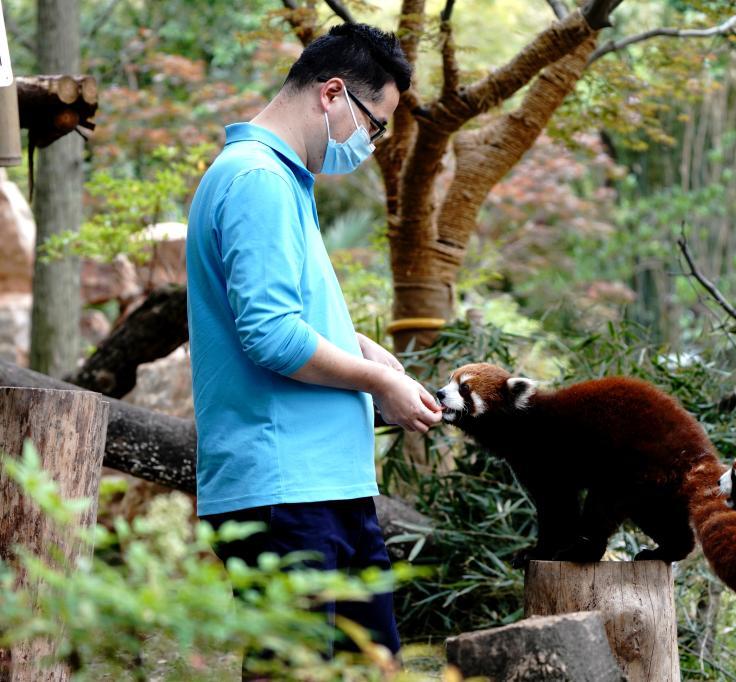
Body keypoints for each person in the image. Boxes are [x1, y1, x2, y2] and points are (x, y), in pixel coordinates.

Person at [184, 22, 441, 675]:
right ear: (332, 93)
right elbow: (269, 333)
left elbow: (283, 313)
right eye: (374, 125)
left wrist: (363, 349)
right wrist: (376, 383)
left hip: (320, 487)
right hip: (285, 488)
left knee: (367, 666)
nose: (372, 144)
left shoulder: (280, 180)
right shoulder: (258, 180)